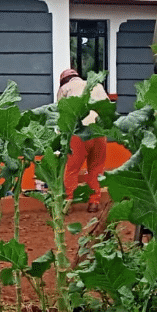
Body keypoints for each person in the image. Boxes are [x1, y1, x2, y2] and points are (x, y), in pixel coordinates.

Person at [56, 68, 109, 213]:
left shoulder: (65, 88)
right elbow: (107, 108)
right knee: (96, 168)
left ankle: (68, 202)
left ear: (63, 81)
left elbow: (61, 113)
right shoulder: (97, 85)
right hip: (99, 132)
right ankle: (94, 202)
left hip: (78, 132)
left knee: (72, 169)